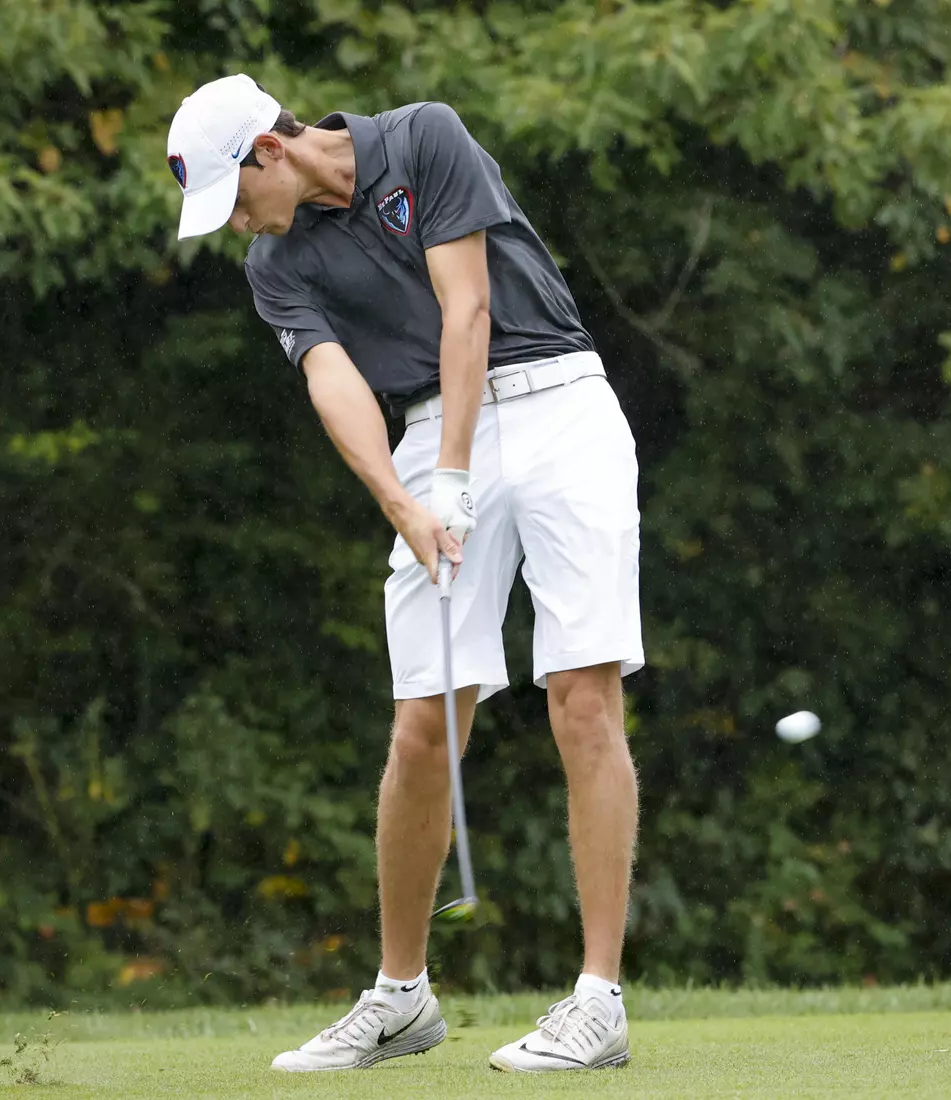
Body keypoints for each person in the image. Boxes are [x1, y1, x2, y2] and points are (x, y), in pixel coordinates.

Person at [166, 74, 643, 1073]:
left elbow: (467, 307)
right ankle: (400, 996)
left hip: (559, 402)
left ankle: (598, 999)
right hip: (425, 434)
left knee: (581, 694)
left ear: (269, 150)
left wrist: (456, 478)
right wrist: (406, 501)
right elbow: (333, 381)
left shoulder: (425, 137)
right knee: (423, 723)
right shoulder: (274, 263)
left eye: (236, 196)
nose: (237, 223)